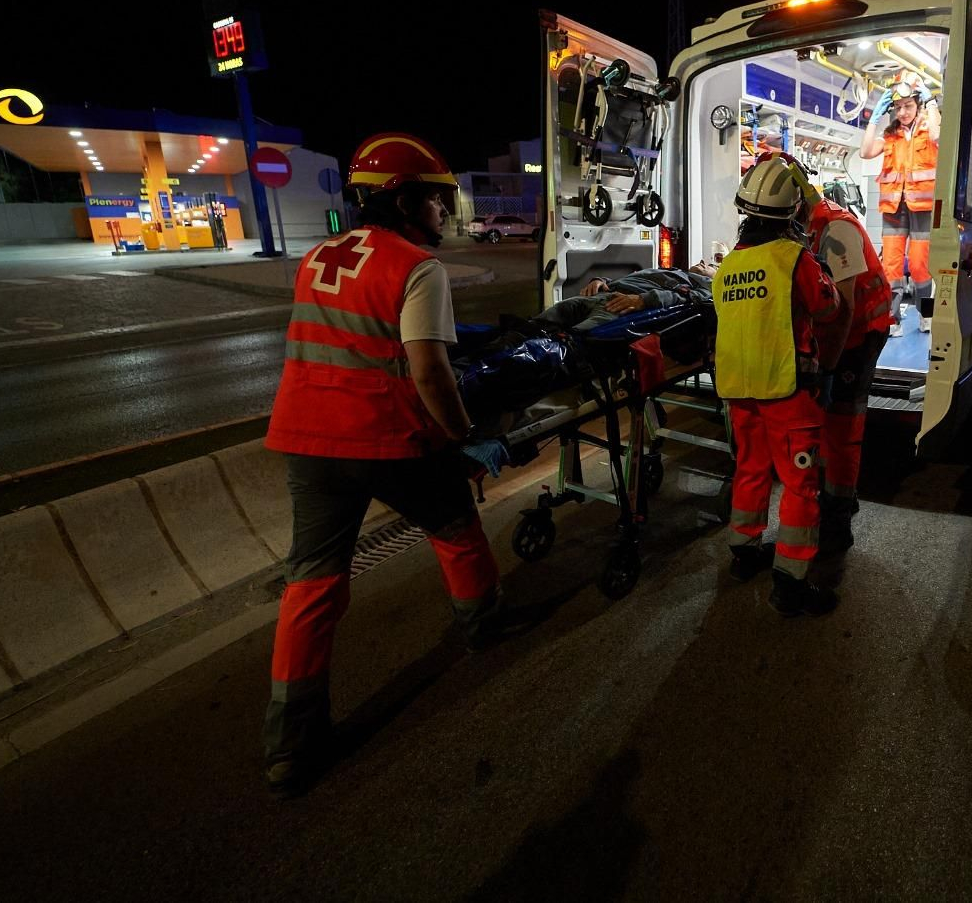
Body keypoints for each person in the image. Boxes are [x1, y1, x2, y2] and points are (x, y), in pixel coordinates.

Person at [260, 131, 510, 798]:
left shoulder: (315, 257)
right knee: (454, 525)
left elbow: (343, 338)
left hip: (305, 442)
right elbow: (428, 369)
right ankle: (485, 627)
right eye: (433, 200)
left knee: (310, 585)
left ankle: (290, 745)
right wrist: (464, 435)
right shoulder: (415, 266)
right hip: (381, 438)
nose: (441, 213)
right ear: (402, 200)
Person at [713, 155, 849, 616]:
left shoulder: (728, 267)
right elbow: (828, 307)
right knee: (799, 484)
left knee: (750, 470)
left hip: (738, 392)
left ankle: (743, 551)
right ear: (793, 213)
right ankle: (790, 581)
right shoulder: (795, 259)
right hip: (787, 393)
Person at [790, 158, 894, 553]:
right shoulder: (805, 226)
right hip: (838, 333)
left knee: (842, 427)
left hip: (862, 332)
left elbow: (845, 309)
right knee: (828, 422)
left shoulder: (836, 228)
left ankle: (837, 521)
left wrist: (828, 367)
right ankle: (840, 498)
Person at [860, 71, 940, 337]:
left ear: (917, 103)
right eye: (897, 107)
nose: (903, 112)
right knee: (891, 265)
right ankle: (892, 318)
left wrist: (932, 104)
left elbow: (940, 136)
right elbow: (865, 151)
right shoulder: (891, 135)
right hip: (894, 207)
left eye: (908, 105)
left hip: (922, 208)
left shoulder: (930, 127)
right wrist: (874, 116)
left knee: (919, 266)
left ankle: (926, 314)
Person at [534, 263, 716, 332]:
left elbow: (682, 299)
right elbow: (632, 279)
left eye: (708, 265)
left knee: (576, 336)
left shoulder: (704, 287)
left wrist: (643, 300)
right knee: (551, 315)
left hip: (622, 306)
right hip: (605, 293)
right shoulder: (668, 270)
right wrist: (600, 280)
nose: (702, 262)